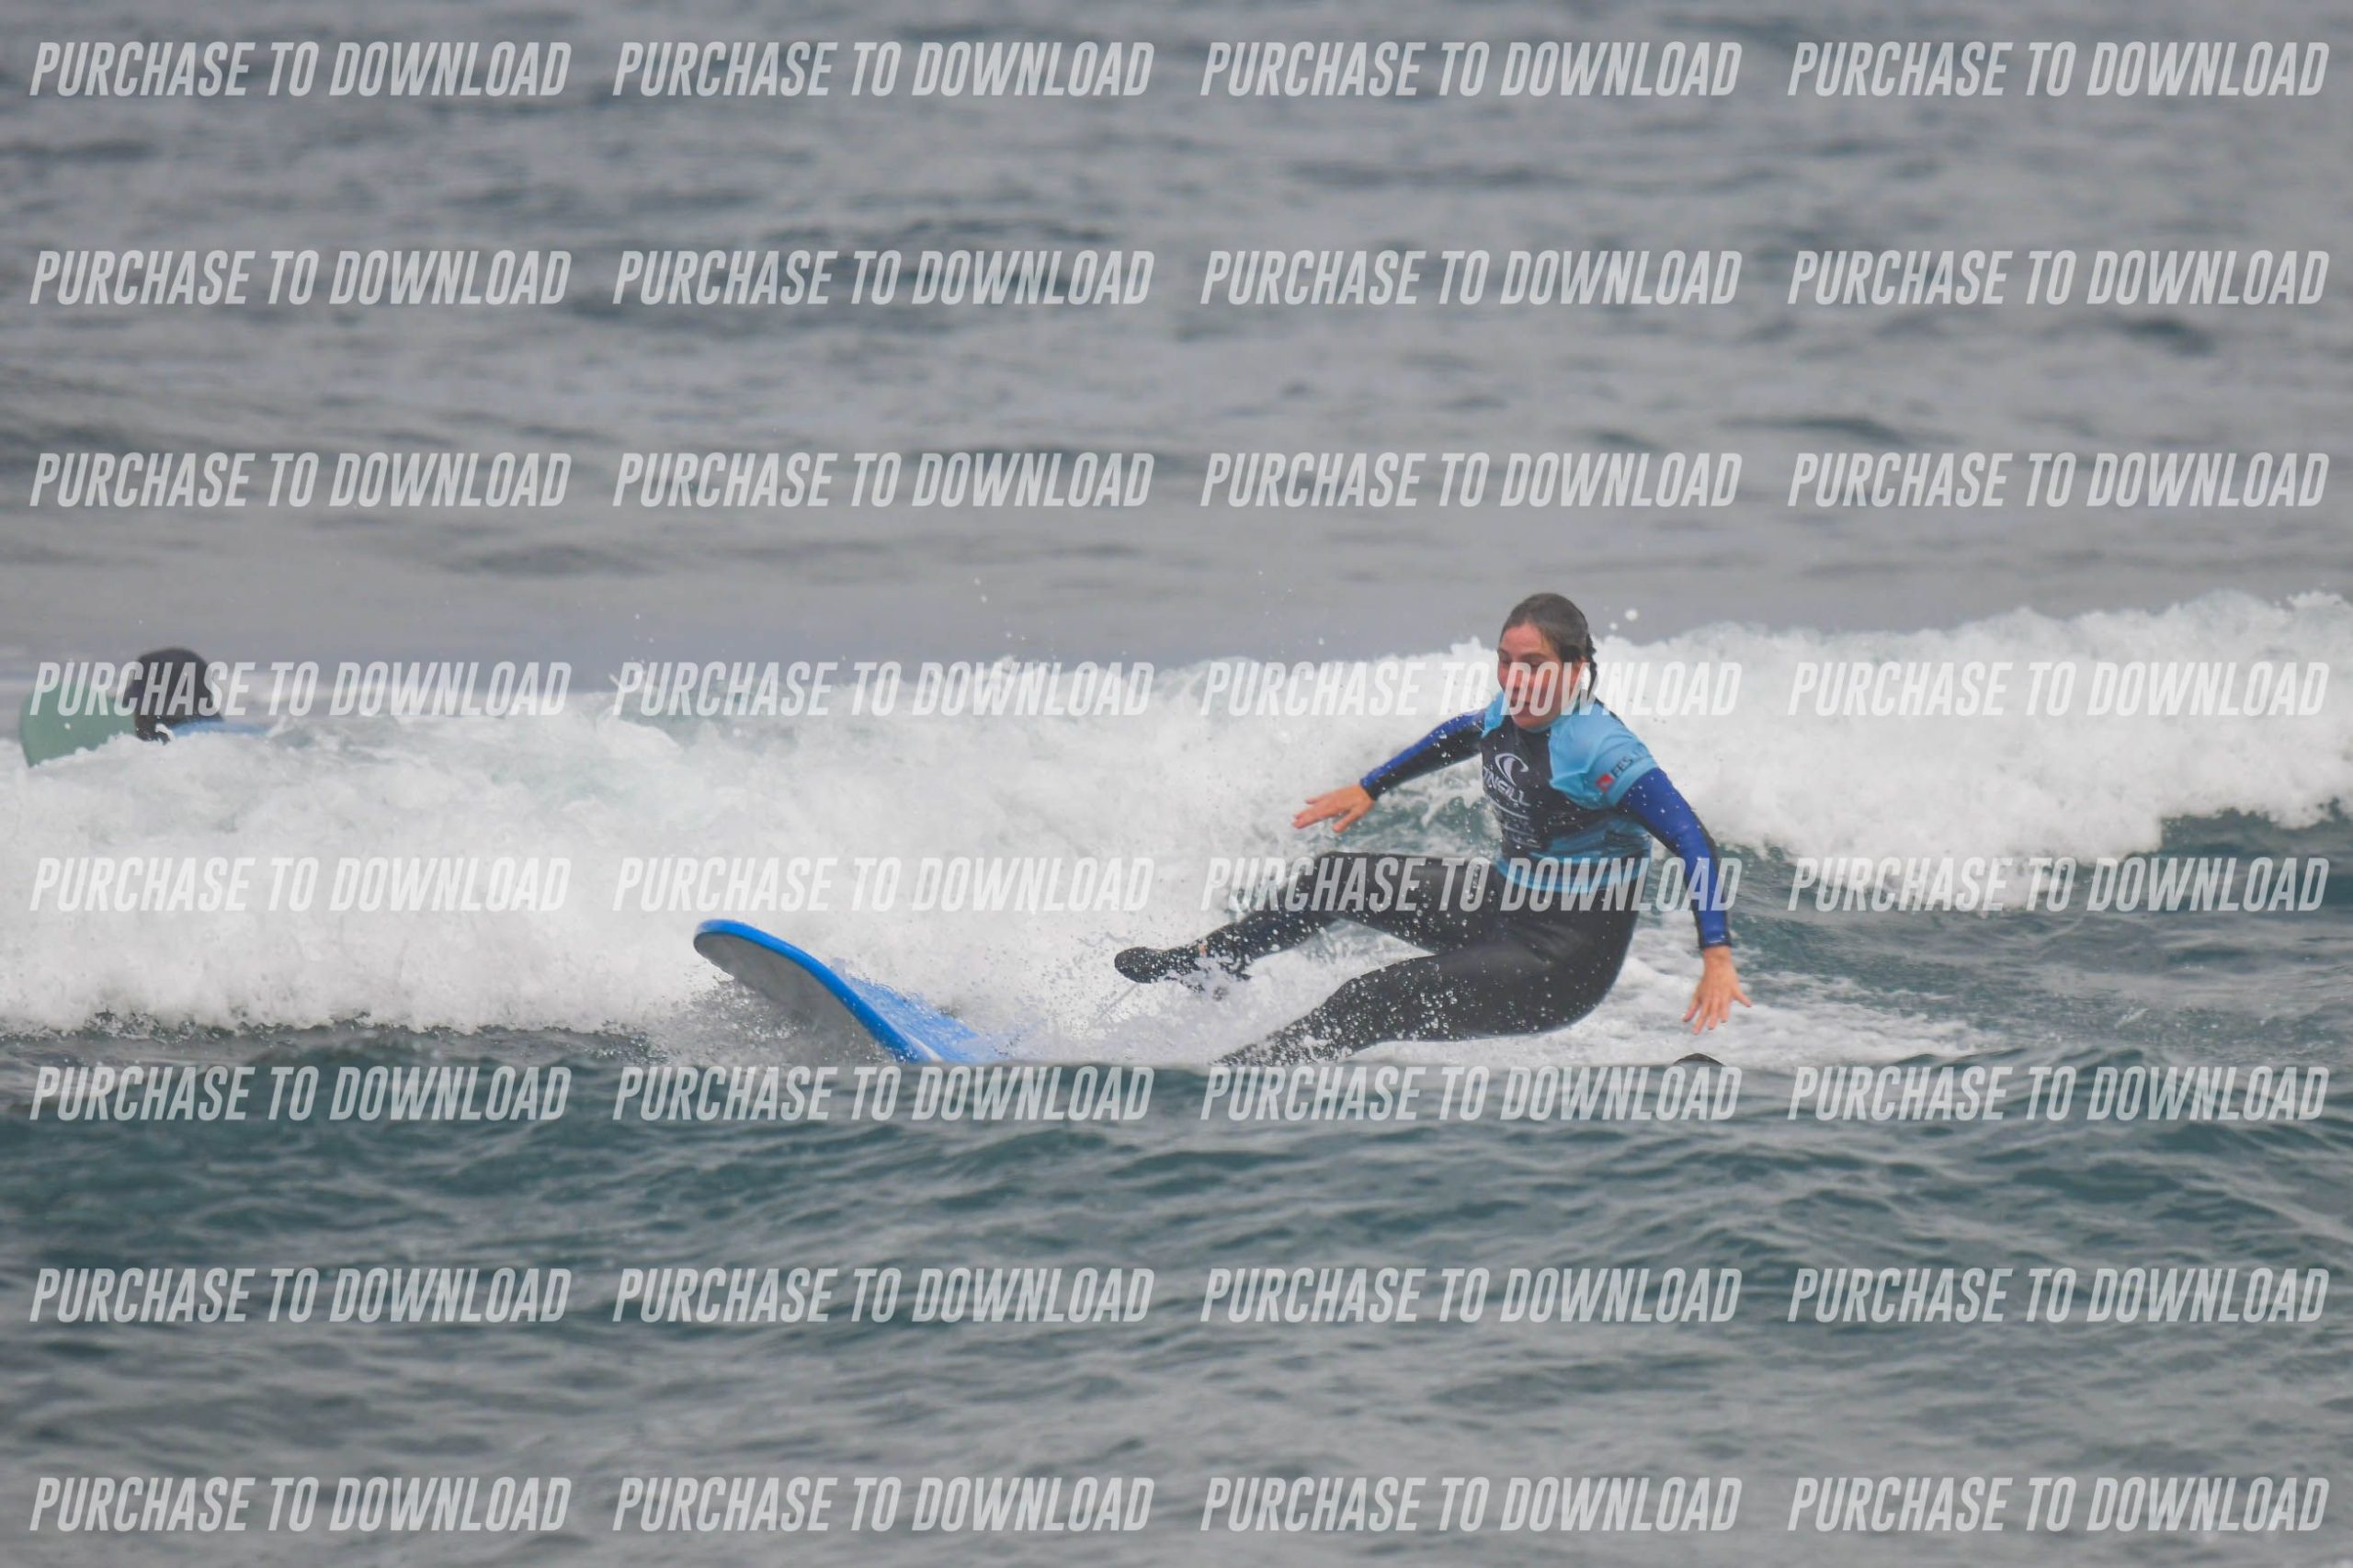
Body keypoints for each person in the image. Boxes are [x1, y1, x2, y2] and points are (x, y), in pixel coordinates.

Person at [1117, 594, 1747, 1063]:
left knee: (1369, 999)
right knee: (1335, 879)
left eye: (1534, 665)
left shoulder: (1603, 750)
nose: (1515, 679)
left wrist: (1715, 954)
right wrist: (1372, 786)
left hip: (1559, 962)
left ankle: (1239, 1076)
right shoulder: (1513, 710)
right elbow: (1460, 735)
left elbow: (1694, 842)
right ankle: (1210, 964)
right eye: (1505, 662)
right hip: (1502, 905)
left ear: (1576, 668)